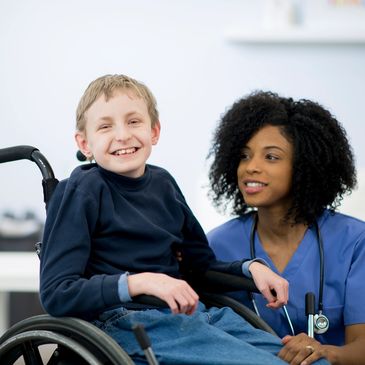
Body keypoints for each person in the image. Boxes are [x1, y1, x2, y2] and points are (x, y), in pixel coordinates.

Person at [39, 75, 302, 365]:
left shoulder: (164, 184)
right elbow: (57, 293)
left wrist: (250, 269)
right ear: (84, 143)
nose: (123, 135)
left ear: (154, 131)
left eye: (133, 121)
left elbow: (198, 267)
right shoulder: (81, 191)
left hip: (188, 316)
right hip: (123, 322)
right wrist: (143, 282)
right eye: (105, 126)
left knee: (310, 361)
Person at [207, 90, 365, 365]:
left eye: (271, 157)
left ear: (305, 165)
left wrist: (326, 352)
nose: (250, 168)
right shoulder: (217, 246)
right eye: (244, 156)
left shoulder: (354, 243)